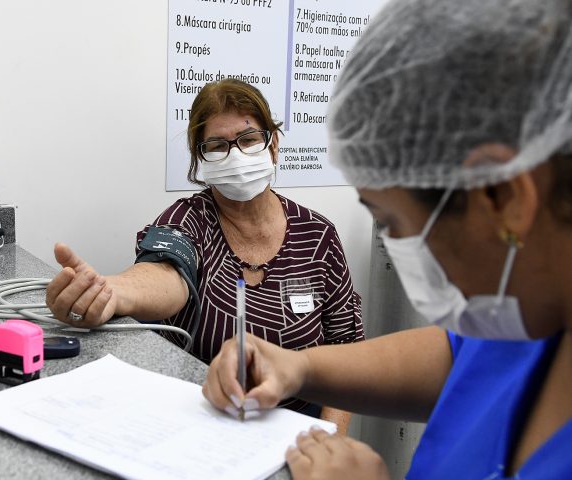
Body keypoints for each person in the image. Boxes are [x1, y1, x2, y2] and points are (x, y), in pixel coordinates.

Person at [202, 0, 572, 478]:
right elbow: (463, 356)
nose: (397, 245)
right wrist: (301, 368)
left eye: (394, 223)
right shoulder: (527, 304)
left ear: (503, 197)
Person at [45, 79, 364, 430]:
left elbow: (346, 350)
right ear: (201, 160)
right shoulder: (187, 220)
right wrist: (111, 292)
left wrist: (332, 444)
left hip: (301, 429)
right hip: (204, 426)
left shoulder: (318, 237)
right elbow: (167, 272)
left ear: (273, 146)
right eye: (217, 146)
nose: (236, 155)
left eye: (248, 139)